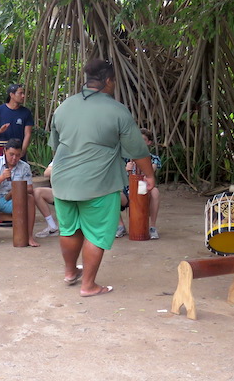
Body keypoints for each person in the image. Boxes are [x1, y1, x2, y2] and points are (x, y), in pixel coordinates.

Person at [50, 59, 155, 297]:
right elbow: (138, 151)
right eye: (114, 81)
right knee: (96, 232)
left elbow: (55, 146)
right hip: (99, 182)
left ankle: (70, 273)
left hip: (63, 180)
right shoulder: (117, 110)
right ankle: (88, 285)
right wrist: (149, 176)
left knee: (68, 229)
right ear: (108, 81)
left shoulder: (64, 107)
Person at [0, 138, 39, 249]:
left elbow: (30, 189)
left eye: (18, 155)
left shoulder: (25, 167)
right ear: (5, 151)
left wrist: (18, 189)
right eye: (11, 154)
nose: (14, 158)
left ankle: (29, 236)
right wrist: (2, 177)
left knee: (30, 199)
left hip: (13, 200)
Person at [115, 128, 163, 239]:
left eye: (143, 140)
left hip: (143, 190)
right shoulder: (125, 158)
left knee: (155, 191)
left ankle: (152, 227)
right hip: (127, 192)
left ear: (149, 142)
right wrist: (125, 169)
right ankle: (120, 226)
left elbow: (150, 172)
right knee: (112, 193)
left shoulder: (153, 159)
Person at [0, 83, 34, 156]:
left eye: (23, 93)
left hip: (18, 150)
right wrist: (0, 130)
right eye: (20, 93)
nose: (23, 96)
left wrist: (22, 152)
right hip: (2, 151)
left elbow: (28, 134)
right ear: (12, 95)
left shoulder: (26, 112)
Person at [33, 162, 59, 238]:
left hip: (78, 193)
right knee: (37, 192)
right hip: (58, 193)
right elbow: (47, 172)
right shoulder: (61, 156)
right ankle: (52, 226)